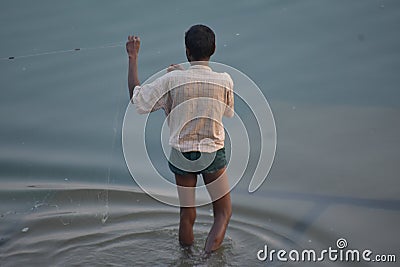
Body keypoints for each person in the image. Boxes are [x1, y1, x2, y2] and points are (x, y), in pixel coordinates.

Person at [126, 24, 234, 253]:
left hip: (181, 154)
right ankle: (207, 259)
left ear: (187, 51)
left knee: (187, 213)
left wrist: (133, 57)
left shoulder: (172, 80)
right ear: (213, 49)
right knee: (223, 213)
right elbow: (225, 111)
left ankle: (186, 258)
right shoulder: (225, 80)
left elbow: (137, 100)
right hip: (212, 151)